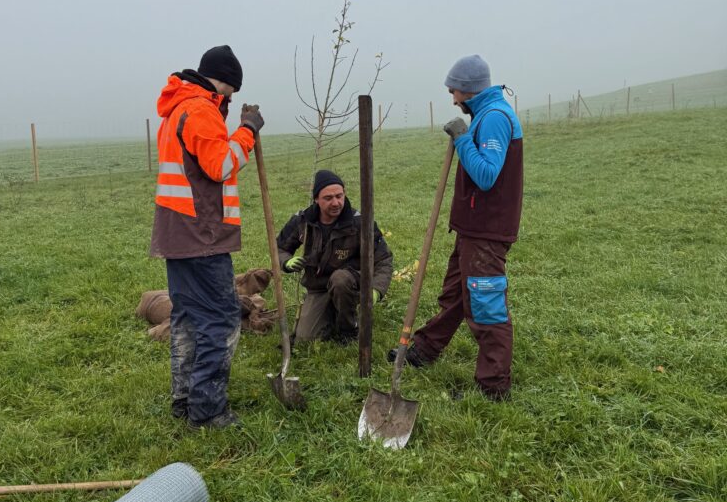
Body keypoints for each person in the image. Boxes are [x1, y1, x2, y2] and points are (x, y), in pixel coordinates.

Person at [390, 54, 523, 400]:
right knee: (455, 295)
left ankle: (494, 386)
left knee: (485, 305)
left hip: (487, 230)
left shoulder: (494, 118)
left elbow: (487, 175)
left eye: (454, 91)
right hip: (473, 228)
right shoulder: (484, 115)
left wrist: (463, 139)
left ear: (468, 89)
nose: (452, 99)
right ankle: (424, 350)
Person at [149, 45, 264, 429]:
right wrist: (247, 132)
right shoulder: (200, 110)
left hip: (178, 233)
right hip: (202, 234)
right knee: (220, 318)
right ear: (226, 82)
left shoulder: (178, 109)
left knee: (186, 319)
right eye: (231, 92)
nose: (230, 99)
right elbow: (220, 165)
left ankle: (184, 401)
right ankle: (208, 410)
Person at [277, 170, 394, 343]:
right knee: (305, 338)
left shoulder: (360, 222)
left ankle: (348, 329)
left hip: (350, 282)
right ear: (316, 199)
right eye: (328, 198)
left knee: (340, 279)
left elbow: (383, 260)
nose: (336, 203)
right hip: (318, 288)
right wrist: (286, 262)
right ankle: (330, 310)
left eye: (339, 196)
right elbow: (279, 248)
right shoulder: (303, 220)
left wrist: (376, 290)